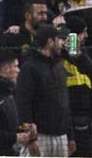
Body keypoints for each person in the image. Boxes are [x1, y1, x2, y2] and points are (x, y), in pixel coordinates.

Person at [15, 25, 71, 157]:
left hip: (61, 135)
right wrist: (31, 138)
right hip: (40, 136)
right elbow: (23, 105)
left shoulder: (58, 66)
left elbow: (65, 103)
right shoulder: (30, 67)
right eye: (59, 39)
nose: (62, 43)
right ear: (50, 42)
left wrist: (71, 136)